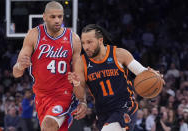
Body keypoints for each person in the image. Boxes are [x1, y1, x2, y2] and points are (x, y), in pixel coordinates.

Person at [68, 24, 164, 131]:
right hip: (102, 113)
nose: (86, 47)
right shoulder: (81, 63)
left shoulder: (119, 54)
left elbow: (141, 72)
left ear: (100, 41)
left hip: (124, 108)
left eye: (89, 42)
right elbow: (80, 93)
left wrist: (154, 75)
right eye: (83, 43)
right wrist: (77, 85)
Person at [12, 1, 87, 131]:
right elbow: (16, 73)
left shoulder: (73, 39)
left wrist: (82, 101)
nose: (57, 20)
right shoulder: (34, 35)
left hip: (63, 94)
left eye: (60, 16)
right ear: (44, 17)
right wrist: (20, 66)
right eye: (53, 17)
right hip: (41, 96)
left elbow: (78, 76)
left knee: (48, 125)